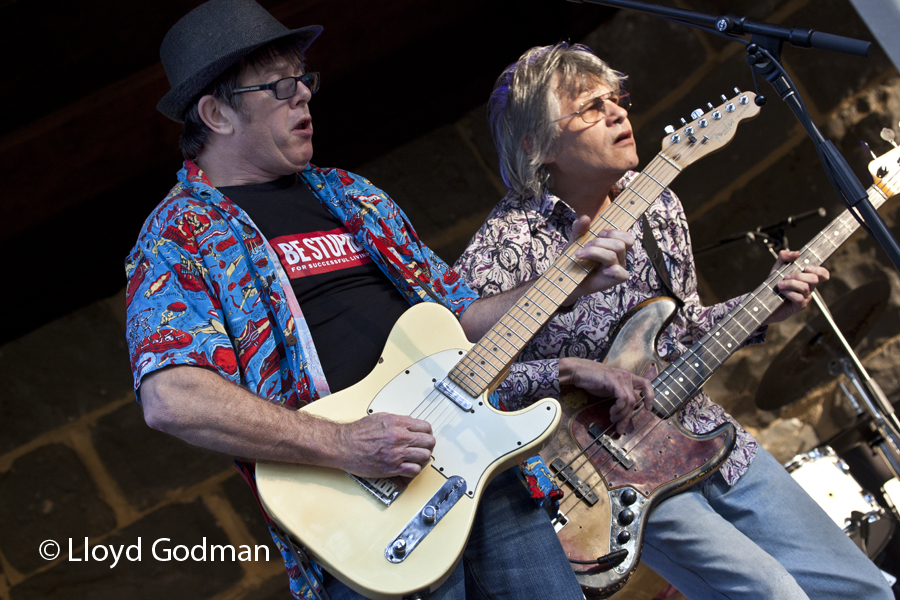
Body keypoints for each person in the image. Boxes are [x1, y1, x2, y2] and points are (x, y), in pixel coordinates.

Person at [124, 3, 654, 599]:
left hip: (480, 466)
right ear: (216, 113)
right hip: (370, 517)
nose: (303, 95)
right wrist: (343, 444)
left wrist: (567, 280)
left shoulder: (350, 193)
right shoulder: (180, 234)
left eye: (304, 79)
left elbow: (459, 318)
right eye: (280, 86)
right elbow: (172, 398)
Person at [454, 42, 894, 600]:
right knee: (774, 595)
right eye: (591, 107)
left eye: (618, 99)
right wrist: (570, 373)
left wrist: (762, 305)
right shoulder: (509, 240)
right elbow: (461, 378)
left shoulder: (657, 204)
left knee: (862, 589)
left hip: (705, 435)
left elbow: (680, 330)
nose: (617, 113)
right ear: (536, 145)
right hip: (610, 471)